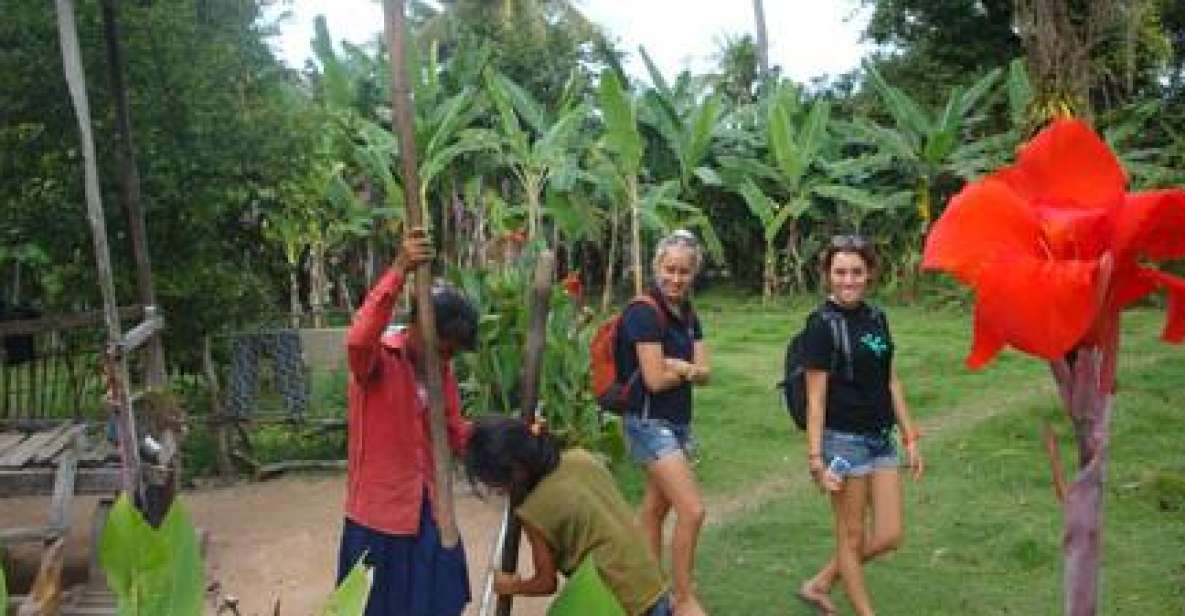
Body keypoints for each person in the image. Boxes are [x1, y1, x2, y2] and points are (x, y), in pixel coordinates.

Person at [337, 227, 479, 616]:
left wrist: (512, 441)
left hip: (429, 508)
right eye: (443, 349)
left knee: (440, 603)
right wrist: (400, 268)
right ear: (418, 327)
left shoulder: (441, 374)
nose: (445, 360)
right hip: (378, 517)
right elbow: (356, 339)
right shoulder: (376, 361)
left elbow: (454, 431)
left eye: (452, 355)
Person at [797, 235, 924, 616]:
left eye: (856, 271)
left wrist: (910, 436)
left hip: (881, 440)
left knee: (889, 535)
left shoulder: (876, 317)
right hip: (843, 443)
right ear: (827, 275)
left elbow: (891, 380)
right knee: (851, 537)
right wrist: (816, 458)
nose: (848, 280)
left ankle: (820, 583)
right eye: (839, 272)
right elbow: (815, 399)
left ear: (869, 274)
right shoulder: (819, 325)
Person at [466, 416, 674, 616]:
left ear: (514, 472)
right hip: (650, 580)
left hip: (618, 599)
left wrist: (512, 586)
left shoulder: (534, 510)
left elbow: (546, 583)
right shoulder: (581, 458)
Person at [615, 230, 711, 616]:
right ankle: (683, 599)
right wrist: (685, 370)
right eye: (669, 269)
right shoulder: (644, 312)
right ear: (657, 267)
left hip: (677, 422)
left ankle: (647, 592)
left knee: (656, 511)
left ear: (693, 273)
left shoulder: (689, 314)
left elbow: (706, 373)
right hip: (648, 422)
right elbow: (654, 379)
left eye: (684, 271)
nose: (676, 278)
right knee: (692, 510)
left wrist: (683, 367)